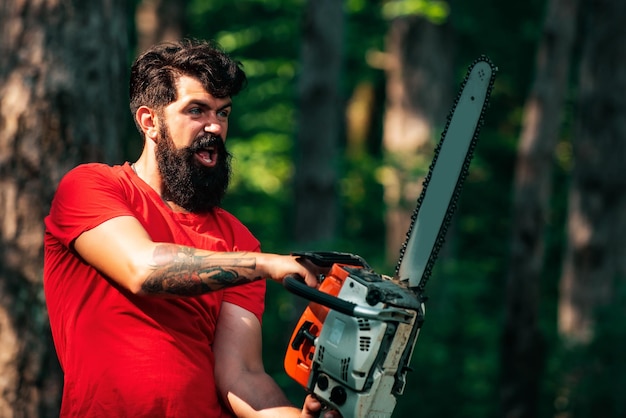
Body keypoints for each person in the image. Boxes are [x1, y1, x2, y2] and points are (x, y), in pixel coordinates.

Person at [44, 39, 337, 418]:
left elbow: (242, 375)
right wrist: (268, 265)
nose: (214, 126)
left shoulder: (238, 240)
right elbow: (143, 269)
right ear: (150, 121)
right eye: (196, 110)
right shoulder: (92, 186)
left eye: (224, 112)